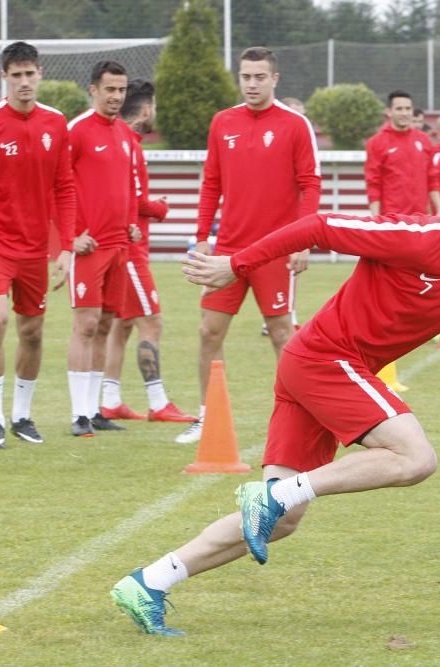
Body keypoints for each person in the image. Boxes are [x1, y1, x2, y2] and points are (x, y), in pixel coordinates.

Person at [110, 157, 440, 636]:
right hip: (324, 359)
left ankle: (149, 582)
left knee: (281, 522)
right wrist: (236, 265)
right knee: (415, 457)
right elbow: (320, 226)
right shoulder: (418, 238)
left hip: (323, 370)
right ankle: (274, 496)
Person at [176, 46, 321, 445]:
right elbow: (211, 183)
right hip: (228, 253)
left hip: (276, 249)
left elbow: (310, 183)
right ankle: (207, 417)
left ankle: (299, 417)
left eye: (260, 76)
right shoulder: (223, 122)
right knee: (209, 331)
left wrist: (304, 240)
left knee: (281, 333)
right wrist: (203, 239)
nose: (252, 83)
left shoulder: (294, 125)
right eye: (246, 76)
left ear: (275, 79)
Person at [0, 41, 76, 449]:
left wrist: (67, 246)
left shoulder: (56, 123)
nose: (24, 82)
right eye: (16, 75)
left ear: (40, 73)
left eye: (30, 73)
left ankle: (21, 415)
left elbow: (64, 187)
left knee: (34, 332)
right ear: (4, 77)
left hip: (34, 249)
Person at [98, 80, 195, 424]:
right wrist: (161, 207)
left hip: (120, 246)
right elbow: (138, 202)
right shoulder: (130, 145)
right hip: (130, 250)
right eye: (153, 106)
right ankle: (157, 402)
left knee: (121, 325)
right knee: (151, 322)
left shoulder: (119, 139)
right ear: (145, 110)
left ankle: (109, 399)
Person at [65, 61, 140, 437]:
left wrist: (130, 224)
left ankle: (93, 410)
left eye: (122, 89)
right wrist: (69, 237)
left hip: (117, 247)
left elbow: (125, 185)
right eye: (110, 89)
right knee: (86, 324)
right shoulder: (76, 131)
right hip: (87, 248)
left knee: (107, 324)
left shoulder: (125, 135)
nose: (116, 96)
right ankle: (78, 413)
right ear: (93, 90)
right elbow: (54, 186)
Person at [364, 90, 440, 217]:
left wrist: (439, 210)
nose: (404, 113)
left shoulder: (424, 140)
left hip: (420, 218)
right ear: (389, 112)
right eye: (399, 109)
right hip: (391, 220)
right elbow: (373, 183)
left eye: (408, 108)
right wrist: (376, 217)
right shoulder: (376, 142)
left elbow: (432, 178)